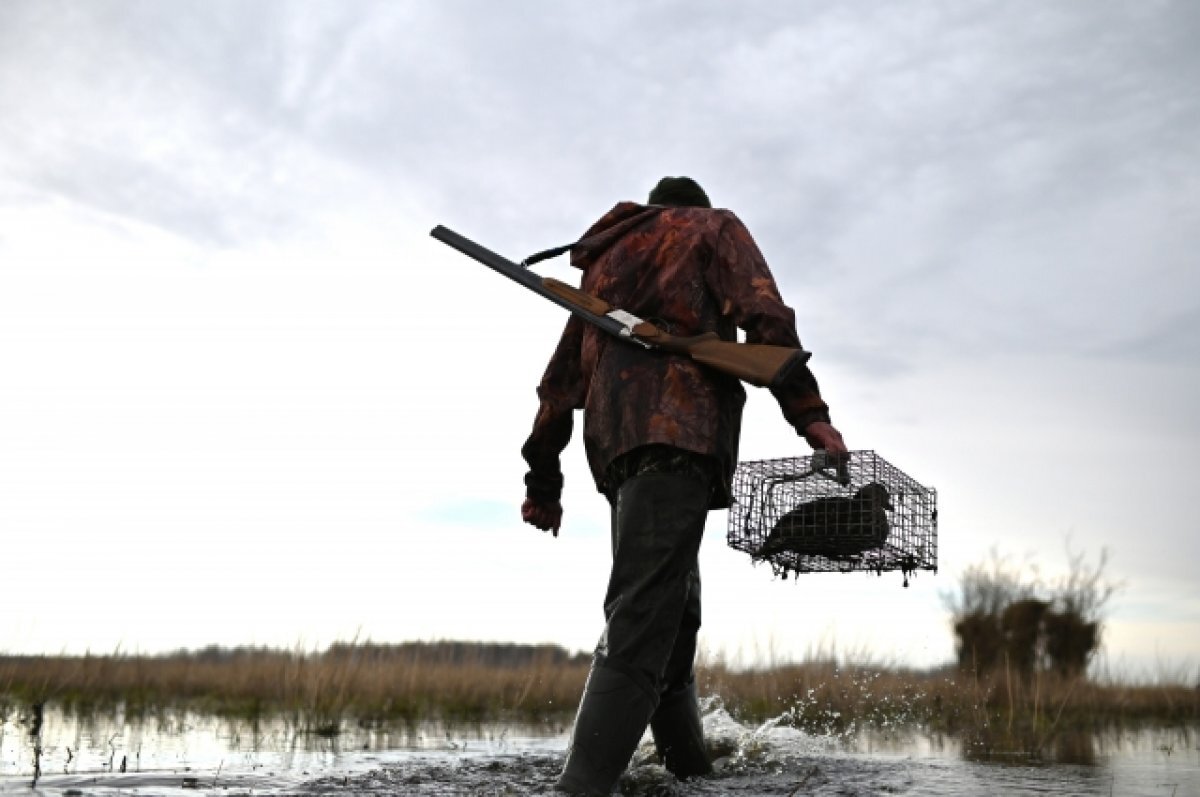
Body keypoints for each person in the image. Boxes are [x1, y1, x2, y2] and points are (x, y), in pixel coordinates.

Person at [519, 176, 847, 796]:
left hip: (617, 445)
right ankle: (578, 788)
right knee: (645, 609)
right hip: (682, 430)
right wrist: (810, 413)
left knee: (673, 605)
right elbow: (765, 316)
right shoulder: (713, 226)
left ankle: (689, 772)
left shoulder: (603, 267)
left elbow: (559, 384)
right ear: (691, 208)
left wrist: (545, 480)